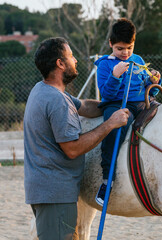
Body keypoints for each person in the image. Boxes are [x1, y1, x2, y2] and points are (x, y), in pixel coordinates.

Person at [24, 37, 129, 240]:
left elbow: (84, 106)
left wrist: (109, 107)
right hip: (55, 195)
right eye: (71, 56)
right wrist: (110, 124)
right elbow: (72, 148)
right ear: (60, 63)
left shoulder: (43, 89)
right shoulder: (57, 101)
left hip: (45, 192)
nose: (76, 60)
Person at [94, 18, 162, 206]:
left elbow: (150, 90)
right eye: (120, 48)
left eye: (129, 48)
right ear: (110, 44)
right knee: (114, 128)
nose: (125, 53)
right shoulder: (104, 65)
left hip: (142, 103)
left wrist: (154, 82)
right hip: (116, 104)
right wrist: (115, 75)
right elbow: (106, 94)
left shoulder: (138, 60)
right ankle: (107, 181)